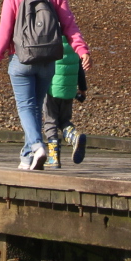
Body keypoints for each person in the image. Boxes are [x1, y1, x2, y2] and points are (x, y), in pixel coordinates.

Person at [0, 0, 91, 172]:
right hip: (48, 61)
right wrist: (82, 50)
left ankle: (37, 147)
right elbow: (70, 27)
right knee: (36, 108)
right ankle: (26, 157)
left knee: (25, 107)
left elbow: (5, 30)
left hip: (21, 60)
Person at [42, 34, 88, 168]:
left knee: (50, 121)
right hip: (69, 89)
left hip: (52, 88)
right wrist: (82, 89)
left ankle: (54, 158)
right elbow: (80, 68)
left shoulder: (48, 39)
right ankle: (73, 136)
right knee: (64, 120)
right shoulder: (74, 41)